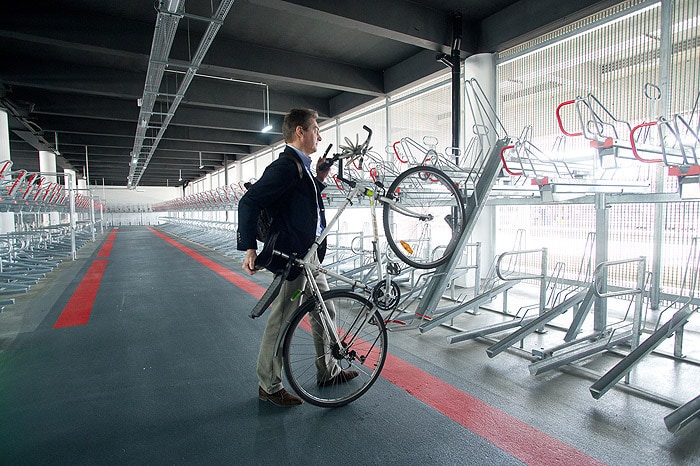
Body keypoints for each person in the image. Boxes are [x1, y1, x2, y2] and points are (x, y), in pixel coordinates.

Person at [237, 108, 358, 407]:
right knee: (282, 319)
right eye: (316, 128)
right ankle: (269, 384)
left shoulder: (301, 168)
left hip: (310, 255)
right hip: (294, 257)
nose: (320, 134)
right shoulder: (286, 167)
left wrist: (319, 177)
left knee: (325, 311)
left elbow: (300, 201)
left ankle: (327, 370)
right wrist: (249, 246)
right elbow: (248, 202)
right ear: (300, 132)